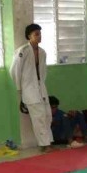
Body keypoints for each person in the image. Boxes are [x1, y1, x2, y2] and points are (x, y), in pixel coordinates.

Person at [10, 23, 54, 152]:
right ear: (29, 36)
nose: (39, 36)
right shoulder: (22, 51)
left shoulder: (42, 52)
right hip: (29, 89)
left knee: (47, 115)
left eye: (40, 34)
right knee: (38, 118)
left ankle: (48, 142)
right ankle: (44, 145)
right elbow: (14, 71)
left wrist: (41, 83)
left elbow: (43, 71)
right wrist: (20, 88)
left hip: (41, 87)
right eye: (36, 34)